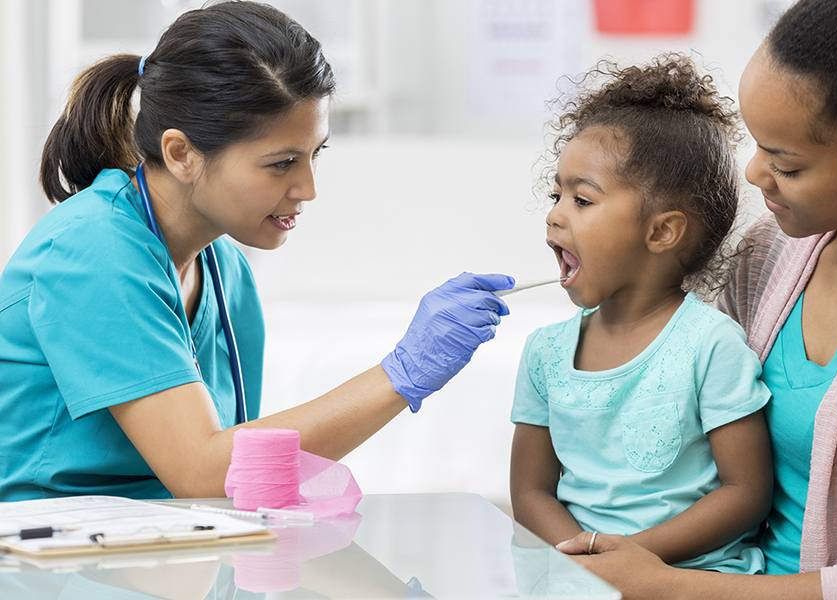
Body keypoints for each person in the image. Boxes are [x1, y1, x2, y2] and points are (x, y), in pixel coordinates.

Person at [0, 0, 513, 501]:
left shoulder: (226, 271)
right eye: (282, 162)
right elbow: (202, 471)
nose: (308, 188)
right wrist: (400, 375)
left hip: (165, 552)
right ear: (181, 154)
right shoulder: (93, 251)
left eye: (316, 154)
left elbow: (238, 471)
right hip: (49, 559)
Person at [555, 0, 837, 598]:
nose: (753, 173)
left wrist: (673, 587)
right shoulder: (766, 257)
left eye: (786, 164)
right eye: (758, 143)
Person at [509, 54, 772, 574]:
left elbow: (746, 493)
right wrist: (582, 561)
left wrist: (635, 561)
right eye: (555, 193)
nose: (555, 213)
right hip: (577, 574)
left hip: (690, 576)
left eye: (582, 200)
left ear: (661, 232)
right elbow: (530, 490)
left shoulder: (712, 345)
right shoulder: (546, 352)